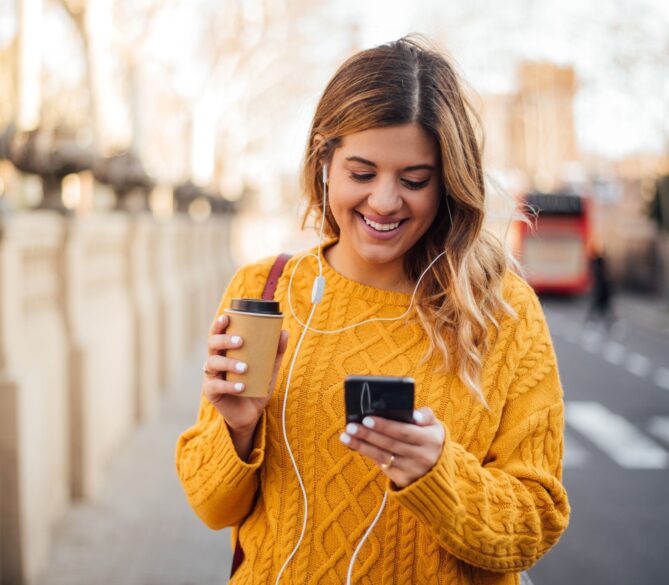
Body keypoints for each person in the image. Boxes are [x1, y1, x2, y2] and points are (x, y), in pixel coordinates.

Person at [176, 36, 570, 584]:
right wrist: (237, 430)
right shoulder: (264, 291)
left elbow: (536, 523)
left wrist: (437, 473)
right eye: (362, 174)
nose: (385, 202)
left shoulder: (500, 310)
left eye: (414, 180)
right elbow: (212, 506)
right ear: (324, 161)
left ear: (449, 181)